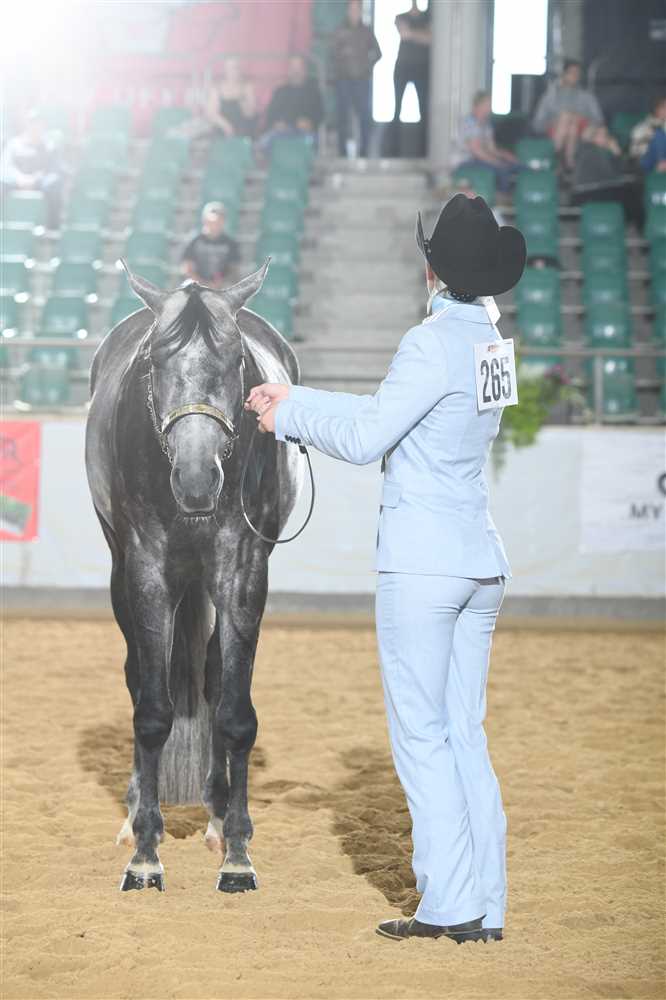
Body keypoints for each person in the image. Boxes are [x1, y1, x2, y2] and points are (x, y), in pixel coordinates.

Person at [245, 193, 527, 943]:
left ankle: (449, 905)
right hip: (477, 556)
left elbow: (371, 436)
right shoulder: (492, 344)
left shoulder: (428, 342)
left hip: (423, 563)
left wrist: (287, 420)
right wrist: (298, 397)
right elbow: (395, 411)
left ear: (432, 271)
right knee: (463, 732)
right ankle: (486, 903)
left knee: (422, 735)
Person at [330, 0, 382, 158]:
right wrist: (340, 67)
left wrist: (367, 67)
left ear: (360, 11)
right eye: (351, 9)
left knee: (364, 117)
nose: (354, 12)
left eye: (357, 9)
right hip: (343, 80)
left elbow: (378, 53)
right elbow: (332, 54)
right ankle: (342, 152)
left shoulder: (366, 31)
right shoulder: (339, 31)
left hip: (362, 80)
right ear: (347, 11)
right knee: (343, 117)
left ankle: (364, 151)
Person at [532, 59, 604, 170]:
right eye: (572, 73)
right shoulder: (550, 97)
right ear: (564, 74)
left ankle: (559, 159)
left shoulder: (587, 96)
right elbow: (538, 123)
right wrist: (555, 120)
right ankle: (567, 161)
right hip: (556, 129)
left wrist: (581, 118)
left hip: (582, 129)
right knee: (566, 118)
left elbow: (598, 119)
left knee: (572, 123)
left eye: (577, 74)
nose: (575, 76)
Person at [571, 124, 644, 230]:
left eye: (607, 135)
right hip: (587, 192)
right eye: (603, 135)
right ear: (593, 137)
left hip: (594, 190)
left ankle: (625, 227)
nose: (607, 138)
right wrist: (616, 153)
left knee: (630, 191)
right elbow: (613, 174)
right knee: (631, 193)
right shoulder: (593, 150)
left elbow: (617, 174)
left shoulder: (594, 150)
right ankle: (638, 229)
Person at [1, 109, 64, 230]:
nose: (36, 127)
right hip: (16, 181)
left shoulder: (50, 146)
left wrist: (36, 179)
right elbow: (6, 165)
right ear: (27, 125)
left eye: (39, 124)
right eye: (33, 123)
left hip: (40, 183)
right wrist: (19, 177)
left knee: (54, 184)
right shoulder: (14, 144)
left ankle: (52, 227)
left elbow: (53, 170)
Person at [450, 91, 522, 194]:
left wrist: (508, 157)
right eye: (487, 105)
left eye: (489, 105)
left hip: (479, 160)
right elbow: (477, 151)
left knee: (514, 166)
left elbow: (492, 149)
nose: (489, 109)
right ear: (477, 106)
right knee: (502, 169)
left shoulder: (486, 125)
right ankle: (502, 196)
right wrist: (496, 162)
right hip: (465, 161)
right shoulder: (469, 123)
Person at [386, 0, 431, 157]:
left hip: (422, 70)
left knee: (424, 110)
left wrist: (411, 33)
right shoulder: (401, 17)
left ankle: (424, 152)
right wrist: (419, 34)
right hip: (402, 68)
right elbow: (403, 32)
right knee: (396, 109)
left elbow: (430, 38)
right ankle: (393, 151)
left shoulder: (429, 17)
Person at [256, 55, 324, 159]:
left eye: (299, 68)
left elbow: (320, 114)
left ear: (304, 70)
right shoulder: (280, 91)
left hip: (305, 133)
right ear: (288, 71)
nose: (296, 71)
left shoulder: (313, 92)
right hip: (281, 131)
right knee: (262, 144)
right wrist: (276, 124)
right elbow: (270, 114)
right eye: (293, 68)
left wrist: (310, 123)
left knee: (311, 142)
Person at [181, 202, 240, 289]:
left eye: (219, 220)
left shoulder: (230, 244)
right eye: (212, 220)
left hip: (222, 286)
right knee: (187, 285)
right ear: (204, 220)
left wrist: (220, 282)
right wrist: (203, 283)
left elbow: (234, 270)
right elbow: (187, 269)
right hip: (197, 284)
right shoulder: (194, 241)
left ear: (223, 221)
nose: (215, 223)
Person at [204, 58, 257, 138]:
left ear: (240, 70)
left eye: (236, 68)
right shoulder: (217, 88)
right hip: (221, 128)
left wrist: (242, 99)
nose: (233, 71)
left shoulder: (247, 87)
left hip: (243, 129)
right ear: (225, 70)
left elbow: (250, 114)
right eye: (230, 68)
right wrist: (225, 125)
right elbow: (211, 113)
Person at [629, 95, 666, 165]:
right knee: (659, 134)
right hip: (645, 159)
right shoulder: (644, 126)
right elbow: (636, 149)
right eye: (664, 107)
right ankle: (662, 163)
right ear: (657, 109)